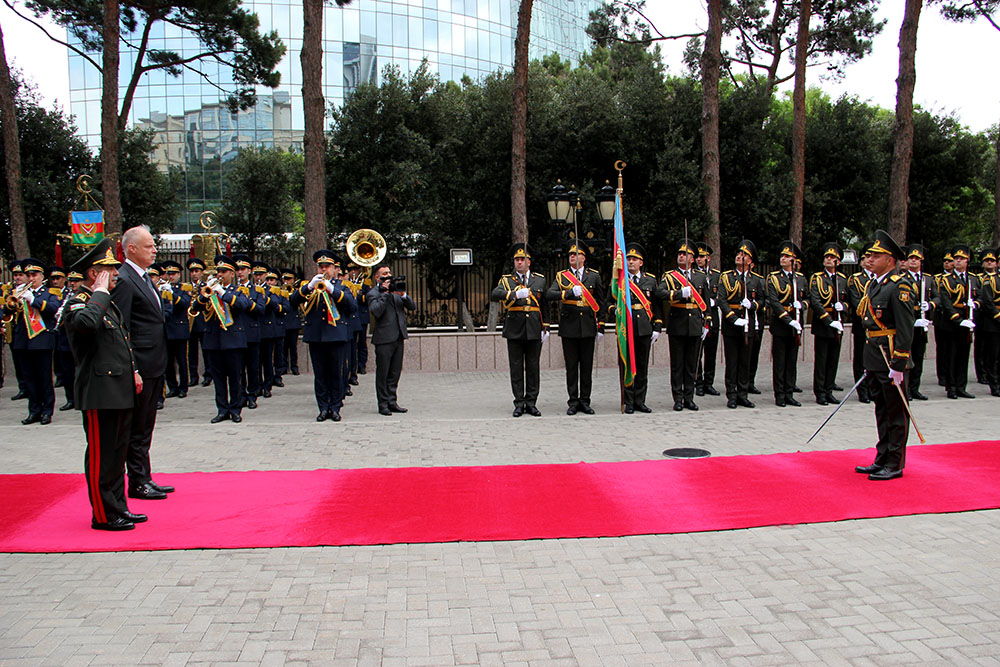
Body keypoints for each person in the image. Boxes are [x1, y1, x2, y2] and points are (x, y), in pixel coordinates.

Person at [61, 238, 148, 530]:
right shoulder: (80, 302)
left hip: (119, 389)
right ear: (93, 274)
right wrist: (98, 292)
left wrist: (133, 370)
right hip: (99, 392)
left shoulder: (106, 303)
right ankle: (103, 514)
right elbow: (86, 325)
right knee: (102, 455)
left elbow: (121, 340)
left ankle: (118, 507)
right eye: (109, 270)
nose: (116, 274)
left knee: (117, 454)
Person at [111, 224, 172, 500]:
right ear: (131, 249)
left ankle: (144, 477)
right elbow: (122, 327)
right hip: (141, 365)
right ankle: (137, 481)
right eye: (149, 246)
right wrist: (132, 367)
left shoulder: (144, 277)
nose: (155, 250)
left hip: (154, 362)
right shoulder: (125, 280)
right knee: (137, 427)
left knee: (146, 424)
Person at [854, 230, 916, 481]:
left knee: (896, 413)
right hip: (875, 356)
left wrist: (899, 363)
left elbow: (905, 327)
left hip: (891, 358)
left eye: (876, 256)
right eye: (869, 256)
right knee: (881, 410)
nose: (870, 260)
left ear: (890, 260)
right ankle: (882, 457)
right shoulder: (875, 284)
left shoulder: (899, 286)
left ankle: (895, 462)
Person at [290, 250, 357, 422]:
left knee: (336, 374)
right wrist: (309, 286)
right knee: (320, 375)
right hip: (316, 337)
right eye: (321, 266)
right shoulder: (311, 286)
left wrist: (331, 289)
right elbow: (293, 301)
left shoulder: (342, 287)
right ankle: (323, 407)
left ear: (336, 269)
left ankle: (335, 407)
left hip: (336, 336)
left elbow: (352, 306)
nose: (324, 269)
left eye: (327, 266)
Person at [545, 241, 605, 415]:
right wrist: (569, 293)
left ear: (583, 257)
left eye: (576, 254)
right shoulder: (562, 276)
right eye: (570, 254)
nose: (572, 256)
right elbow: (550, 294)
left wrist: (601, 326)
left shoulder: (593, 276)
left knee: (586, 367)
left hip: (587, 326)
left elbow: (600, 302)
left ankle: (585, 401)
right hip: (569, 327)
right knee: (571, 367)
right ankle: (573, 401)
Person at [491, 243, 548, 417]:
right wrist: (514, 294)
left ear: (529, 262)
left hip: (534, 328)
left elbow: (544, 305)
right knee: (516, 367)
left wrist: (545, 327)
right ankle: (518, 402)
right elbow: (495, 294)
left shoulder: (539, 280)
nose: (519, 262)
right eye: (517, 260)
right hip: (514, 329)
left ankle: (531, 403)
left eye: (523, 259)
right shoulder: (507, 280)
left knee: (533, 367)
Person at [194, 255, 251, 423]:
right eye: (218, 271)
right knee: (218, 379)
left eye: (224, 271)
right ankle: (222, 409)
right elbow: (196, 307)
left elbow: (243, 305)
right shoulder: (209, 290)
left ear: (232, 274)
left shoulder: (238, 291)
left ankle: (235, 409)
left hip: (233, 341)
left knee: (235, 378)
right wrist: (206, 294)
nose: (220, 274)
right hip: (213, 340)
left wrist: (223, 293)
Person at [656, 240, 712, 412]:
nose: (681, 256)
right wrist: (679, 293)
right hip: (677, 324)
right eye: (680, 254)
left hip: (694, 324)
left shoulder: (700, 277)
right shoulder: (670, 276)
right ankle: (678, 398)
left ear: (692, 259)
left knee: (691, 364)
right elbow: (660, 293)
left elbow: (706, 303)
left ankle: (689, 397)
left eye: (685, 254)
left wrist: (707, 323)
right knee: (677, 365)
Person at [607, 243, 661, 413]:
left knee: (642, 367)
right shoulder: (619, 281)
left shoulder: (650, 280)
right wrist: (614, 310)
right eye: (629, 259)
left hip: (644, 329)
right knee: (626, 365)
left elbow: (657, 305)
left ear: (641, 263)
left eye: (634, 259)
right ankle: (628, 401)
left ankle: (640, 401)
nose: (631, 262)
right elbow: (608, 302)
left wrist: (657, 326)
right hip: (626, 329)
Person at [5, 258, 60, 424]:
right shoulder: (20, 292)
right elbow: (7, 311)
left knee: (44, 378)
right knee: (29, 378)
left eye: (34, 275)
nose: (31, 278)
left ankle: (46, 411)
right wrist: (14, 300)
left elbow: (52, 308)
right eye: (28, 275)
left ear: (42, 276)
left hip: (42, 340)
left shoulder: (50, 293)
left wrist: (32, 300)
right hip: (23, 341)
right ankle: (34, 411)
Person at [717, 240, 765, 409]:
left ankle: (743, 394)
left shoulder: (756, 280)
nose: (739, 256)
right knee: (732, 361)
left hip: (748, 323)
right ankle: (731, 395)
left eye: (744, 255)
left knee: (745, 360)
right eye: (738, 253)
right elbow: (721, 300)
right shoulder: (726, 277)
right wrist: (732, 317)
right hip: (731, 324)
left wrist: (752, 305)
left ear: (750, 261)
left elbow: (762, 301)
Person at [368, 264, 416, 416]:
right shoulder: (373, 293)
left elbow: (412, 306)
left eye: (389, 272)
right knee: (383, 373)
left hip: (398, 337)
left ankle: (392, 401)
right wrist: (385, 294)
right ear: (377, 277)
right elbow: (376, 312)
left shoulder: (395, 290)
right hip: (383, 339)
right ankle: (383, 404)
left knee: (395, 372)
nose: (388, 275)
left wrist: (403, 295)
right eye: (384, 273)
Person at [766, 240, 807, 407]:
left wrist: (802, 305)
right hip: (781, 325)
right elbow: (774, 302)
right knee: (780, 362)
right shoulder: (774, 278)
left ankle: (789, 392)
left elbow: (807, 298)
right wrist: (789, 320)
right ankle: (780, 395)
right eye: (782, 256)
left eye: (787, 256)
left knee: (792, 361)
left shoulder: (800, 279)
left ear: (794, 260)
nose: (783, 258)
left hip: (796, 324)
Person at [808, 243, 848, 405]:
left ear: (838, 261)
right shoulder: (817, 278)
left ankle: (829, 390)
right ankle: (820, 392)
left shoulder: (842, 279)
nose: (829, 260)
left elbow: (848, 300)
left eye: (832, 257)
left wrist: (843, 307)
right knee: (822, 360)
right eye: (827, 257)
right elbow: (815, 302)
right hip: (823, 324)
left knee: (833, 360)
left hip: (838, 323)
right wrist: (829, 321)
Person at [937, 244, 979, 399]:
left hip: (968, 321)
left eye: (962, 259)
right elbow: (946, 302)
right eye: (956, 259)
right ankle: (952, 387)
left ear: (967, 261)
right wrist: (958, 320)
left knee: (963, 356)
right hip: (951, 323)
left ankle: (961, 386)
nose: (958, 261)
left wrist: (976, 304)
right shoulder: (946, 280)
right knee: (951, 356)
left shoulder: (973, 279)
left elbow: (981, 296)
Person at [902, 244, 937, 400]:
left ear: (921, 261)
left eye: (917, 259)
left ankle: (915, 388)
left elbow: (937, 297)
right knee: (907, 358)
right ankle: (906, 389)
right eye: (911, 258)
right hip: (909, 323)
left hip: (922, 323)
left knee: (919, 357)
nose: (914, 261)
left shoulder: (927, 279)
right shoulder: (902, 278)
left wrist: (930, 305)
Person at [159, 260, 192, 399]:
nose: (171, 276)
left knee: (181, 361)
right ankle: (172, 386)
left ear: (179, 274)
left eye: (173, 274)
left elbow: (184, 304)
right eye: (169, 274)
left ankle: (183, 387)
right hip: (167, 329)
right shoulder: (162, 288)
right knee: (168, 362)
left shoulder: (185, 288)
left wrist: (172, 293)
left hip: (179, 330)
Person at [695, 242, 721, 397]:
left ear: (708, 258)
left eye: (702, 257)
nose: (699, 259)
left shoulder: (716, 276)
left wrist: (715, 302)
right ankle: (698, 382)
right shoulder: (693, 275)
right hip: (698, 316)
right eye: (697, 257)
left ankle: (709, 383)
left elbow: (723, 295)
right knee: (697, 352)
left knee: (711, 352)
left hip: (713, 317)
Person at [50, 265, 77, 412]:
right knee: (67, 371)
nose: (73, 283)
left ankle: (78, 398)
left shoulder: (83, 295)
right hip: (63, 339)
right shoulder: (63, 296)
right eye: (71, 280)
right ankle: (70, 398)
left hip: (77, 339)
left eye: (76, 281)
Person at [978, 249, 1000, 396]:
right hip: (994, 322)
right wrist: (998, 316)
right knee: (993, 355)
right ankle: (995, 384)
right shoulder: (990, 280)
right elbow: (987, 301)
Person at [186, 257, 210, 387]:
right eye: (192, 271)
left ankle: (208, 375)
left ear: (202, 273)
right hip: (190, 323)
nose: (194, 274)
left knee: (206, 350)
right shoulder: (186, 287)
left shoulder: (205, 287)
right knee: (192, 352)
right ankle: (193, 376)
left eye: (197, 271)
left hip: (202, 322)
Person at [974, 249, 997, 384]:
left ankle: (991, 373)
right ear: (982, 264)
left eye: (992, 260)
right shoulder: (978, 278)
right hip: (981, 316)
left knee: (992, 348)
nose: (989, 263)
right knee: (981, 346)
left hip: (993, 318)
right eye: (986, 261)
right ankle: (981, 373)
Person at [933, 250, 955, 387]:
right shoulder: (937, 278)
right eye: (945, 261)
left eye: (949, 261)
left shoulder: (963, 279)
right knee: (941, 348)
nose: (947, 263)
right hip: (941, 316)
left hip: (954, 317)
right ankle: (942, 375)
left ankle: (950, 375)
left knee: (952, 349)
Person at [280, 268, 303, 376]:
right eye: (285, 279)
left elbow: (297, 303)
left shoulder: (296, 291)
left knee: (293, 347)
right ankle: (284, 367)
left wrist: (293, 292)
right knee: (283, 347)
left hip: (293, 322)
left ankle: (294, 366)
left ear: (293, 280)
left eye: (289, 279)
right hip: (284, 322)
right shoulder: (280, 291)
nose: (286, 281)